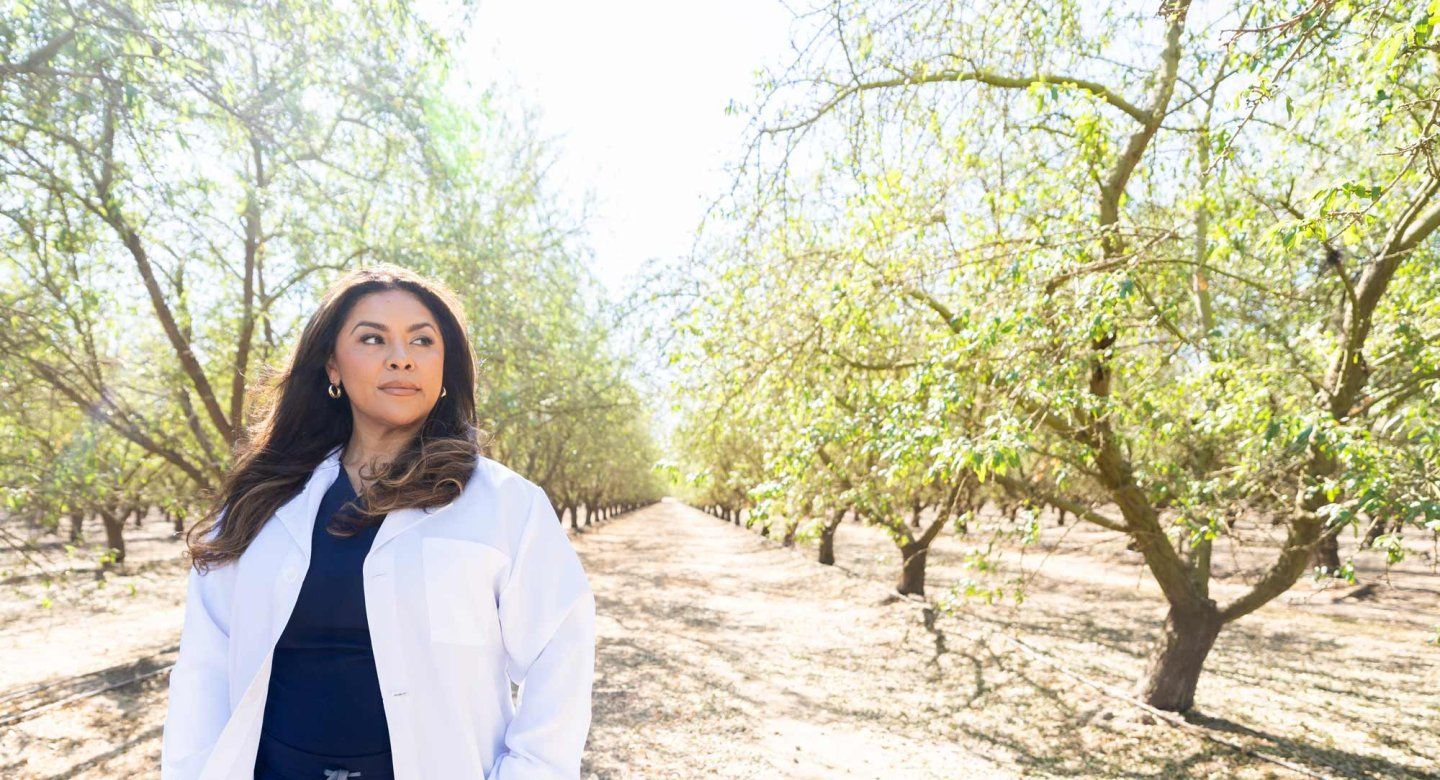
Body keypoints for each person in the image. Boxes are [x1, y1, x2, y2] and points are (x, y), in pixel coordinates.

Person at [160, 264, 596, 779]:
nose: (401, 358)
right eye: (372, 338)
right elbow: (202, 674)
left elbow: (559, 660)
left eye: (422, 341)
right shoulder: (262, 504)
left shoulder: (505, 505)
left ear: (444, 368)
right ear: (332, 367)